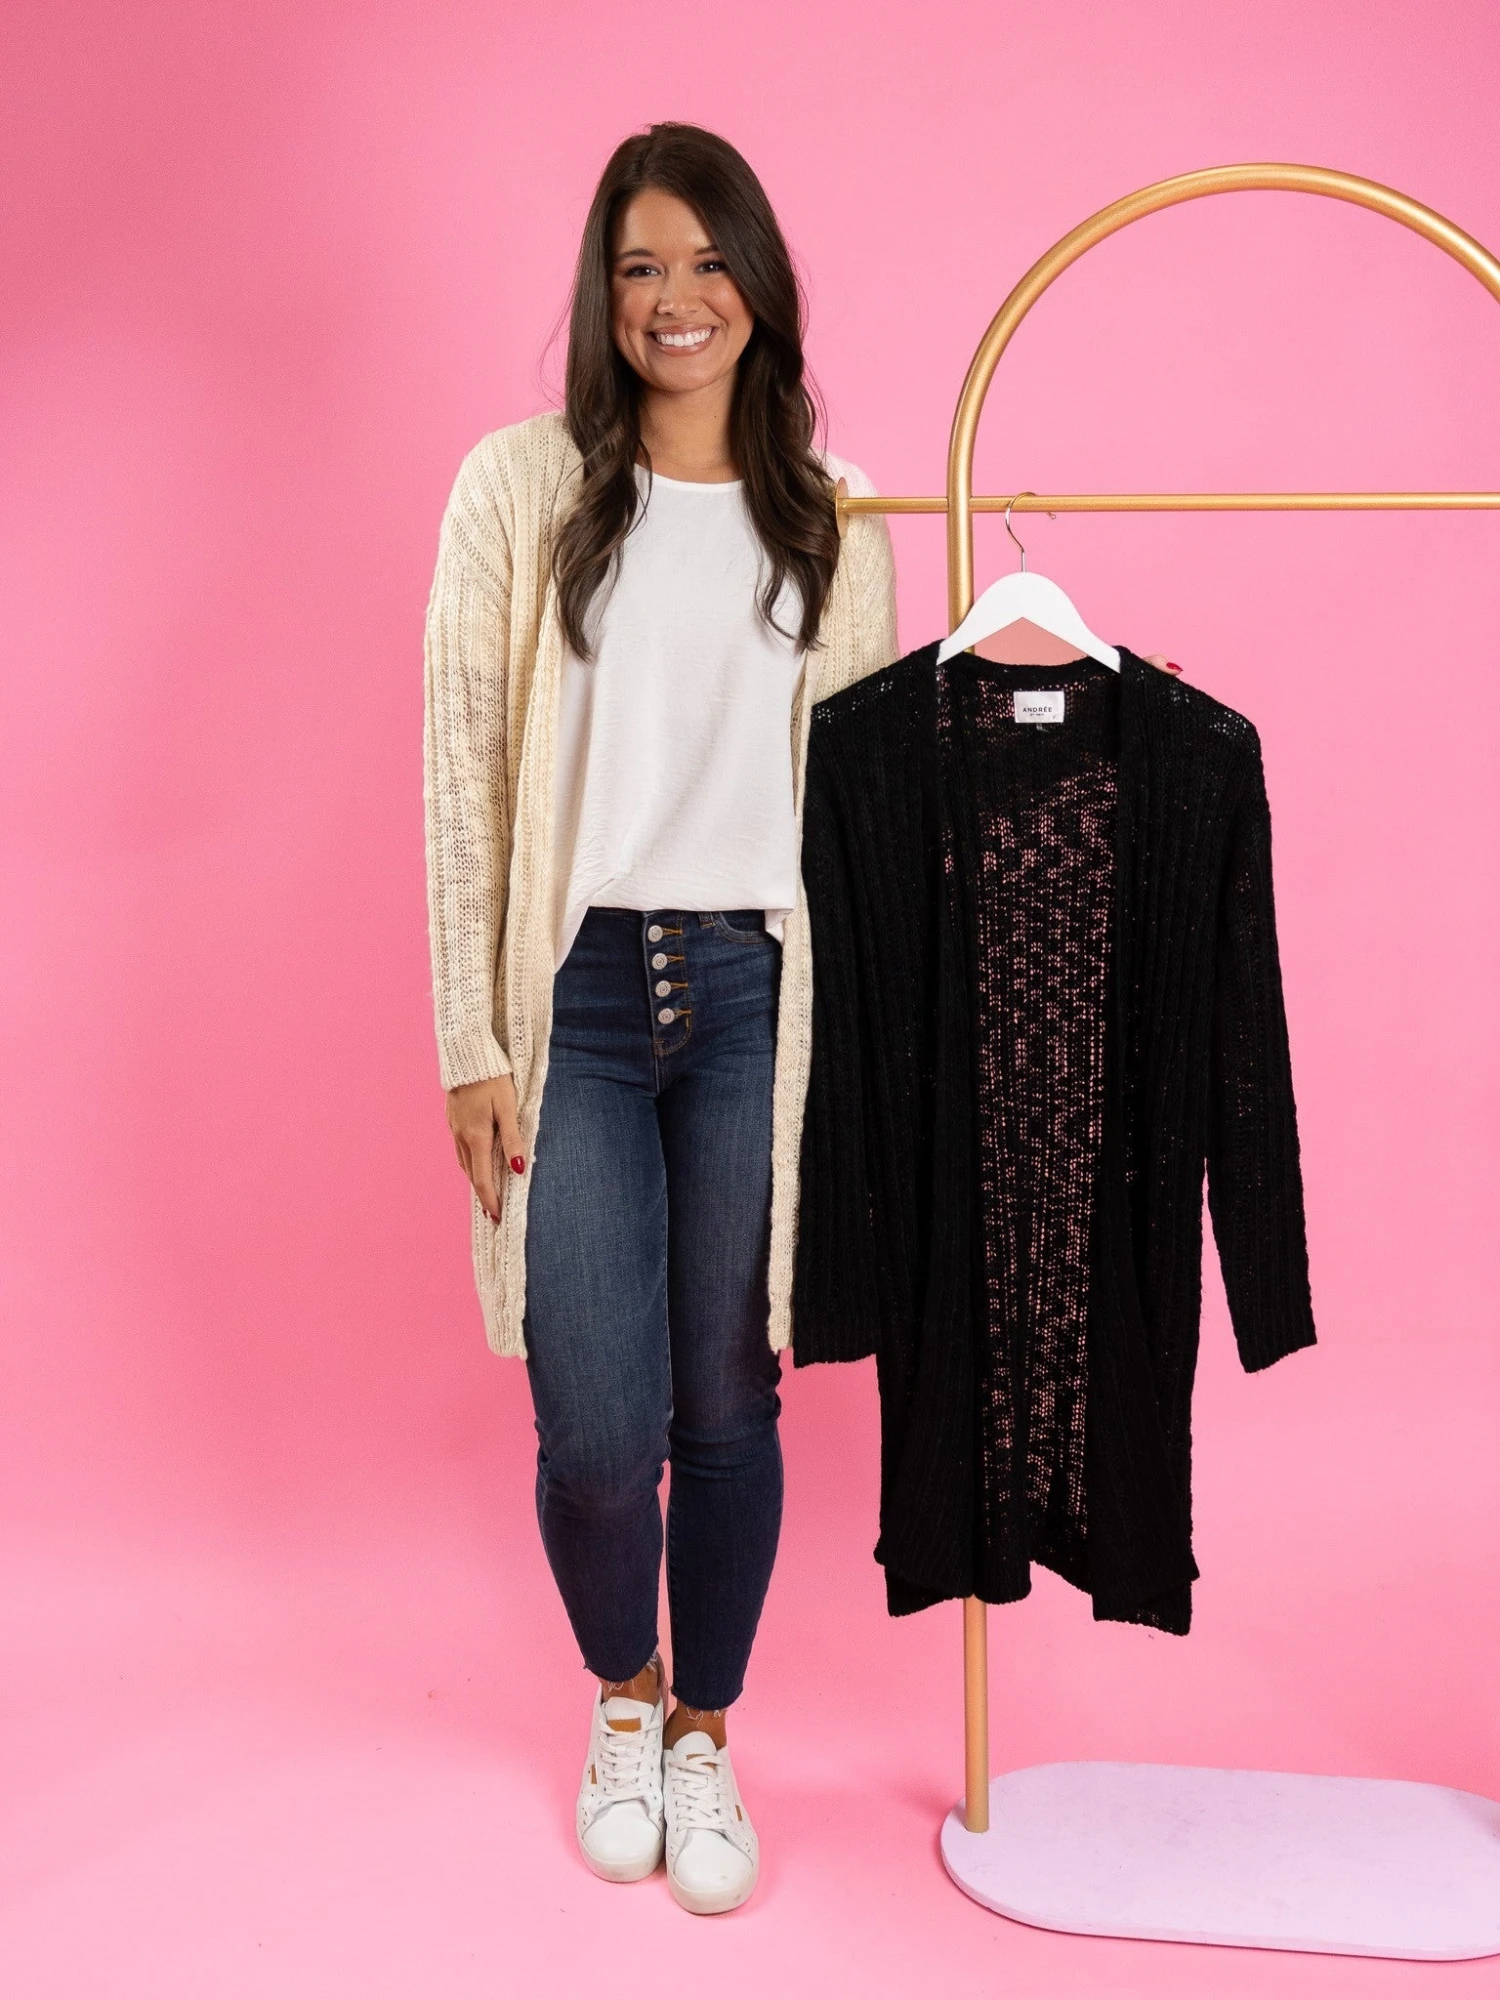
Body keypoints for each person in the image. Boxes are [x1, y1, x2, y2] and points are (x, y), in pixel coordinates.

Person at [423, 119, 1181, 1917]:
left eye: (707, 262)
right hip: (577, 995)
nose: (674, 299)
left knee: (725, 1404)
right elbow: (463, 761)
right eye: (639, 267)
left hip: (762, 1002)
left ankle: (704, 1732)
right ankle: (622, 1691)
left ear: (760, 284)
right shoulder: (519, 488)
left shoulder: (834, 522)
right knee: (592, 1427)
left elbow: (868, 815)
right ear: (603, 295)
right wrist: (471, 1038)